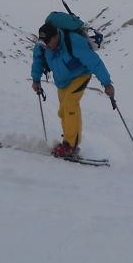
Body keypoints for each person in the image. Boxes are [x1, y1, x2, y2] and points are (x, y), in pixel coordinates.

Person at [31, 18, 114, 159]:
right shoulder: (43, 46)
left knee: (70, 105)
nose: (46, 46)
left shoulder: (74, 42)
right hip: (62, 81)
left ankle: (70, 146)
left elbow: (95, 62)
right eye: (43, 43)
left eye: (48, 42)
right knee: (63, 111)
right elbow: (38, 60)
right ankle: (67, 141)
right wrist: (36, 79)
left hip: (80, 75)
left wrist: (107, 83)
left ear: (56, 36)